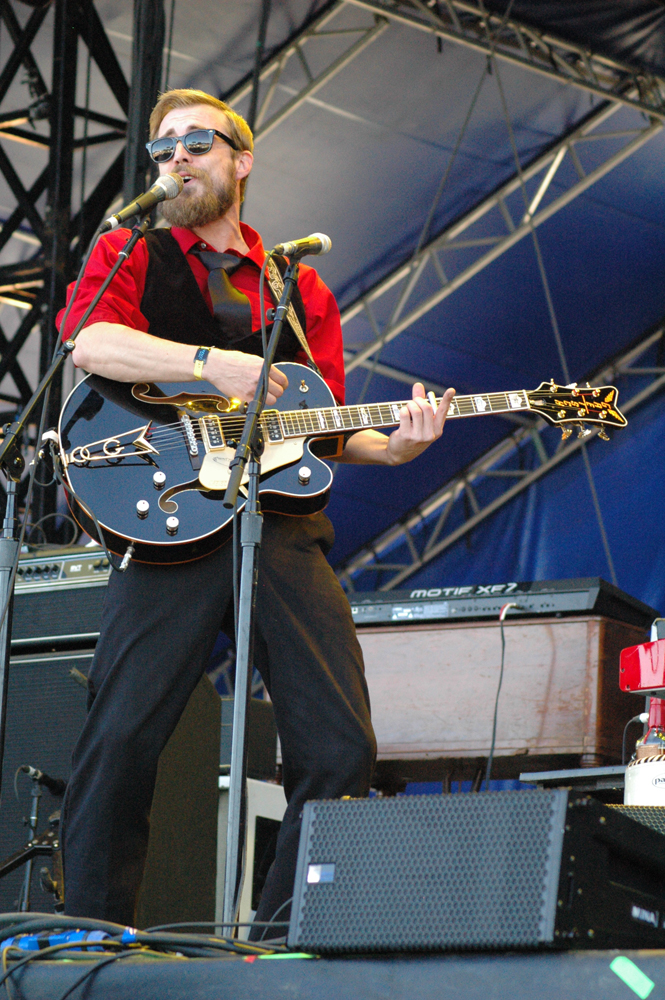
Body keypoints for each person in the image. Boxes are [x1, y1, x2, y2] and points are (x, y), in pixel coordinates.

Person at [57, 88, 455, 935]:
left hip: (277, 528)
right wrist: (211, 364)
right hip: (167, 522)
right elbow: (90, 343)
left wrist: (397, 449)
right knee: (120, 740)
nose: (176, 157)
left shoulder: (297, 284)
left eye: (196, 142)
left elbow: (324, 426)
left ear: (242, 159)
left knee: (339, 745)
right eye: (162, 148)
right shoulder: (128, 248)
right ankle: (89, 941)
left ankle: (277, 945)